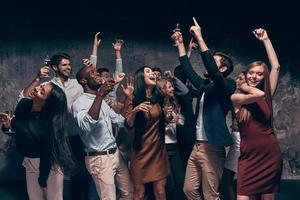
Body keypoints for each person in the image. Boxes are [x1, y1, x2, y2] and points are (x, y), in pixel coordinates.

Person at [171, 17, 236, 200]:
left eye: (214, 62)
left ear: (223, 69)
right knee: (189, 190)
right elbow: (189, 71)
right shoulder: (205, 87)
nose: (208, 65)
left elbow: (213, 71)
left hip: (212, 149)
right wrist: (181, 45)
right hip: (197, 147)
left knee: (211, 195)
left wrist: (199, 36)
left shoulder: (227, 85)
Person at [231, 28, 282, 200]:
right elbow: (256, 95)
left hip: (270, 155)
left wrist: (266, 40)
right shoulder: (236, 98)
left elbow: (275, 66)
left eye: (259, 74)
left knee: (268, 198)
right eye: (251, 72)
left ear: (263, 77)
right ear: (246, 73)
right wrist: (244, 87)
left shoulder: (266, 96)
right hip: (249, 158)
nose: (254, 76)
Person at [1, 82, 74, 200]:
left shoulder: (49, 123)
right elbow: (15, 130)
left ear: (45, 104)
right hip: (30, 163)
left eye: (41, 92)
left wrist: (43, 182)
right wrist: (7, 125)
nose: (36, 88)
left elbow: (46, 154)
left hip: (49, 165)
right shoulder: (23, 105)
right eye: (41, 86)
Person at [72, 65, 133, 200]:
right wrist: (100, 95)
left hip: (116, 154)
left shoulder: (103, 101)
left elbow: (119, 120)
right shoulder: (79, 103)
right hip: (99, 159)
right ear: (83, 81)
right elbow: (87, 125)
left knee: (129, 193)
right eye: (92, 73)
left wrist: (128, 98)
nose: (97, 74)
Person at [125, 66, 170, 200]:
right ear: (141, 78)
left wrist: (168, 116)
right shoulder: (133, 98)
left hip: (158, 150)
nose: (153, 74)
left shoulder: (159, 96)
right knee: (139, 194)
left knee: (160, 191)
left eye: (153, 72)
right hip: (140, 152)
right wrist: (135, 111)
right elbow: (128, 126)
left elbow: (164, 118)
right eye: (148, 72)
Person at [156, 77, 186, 200]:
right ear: (162, 89)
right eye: (169, 87)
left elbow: (182, 122)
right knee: (169, 185)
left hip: (174, 147)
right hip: (162, 149)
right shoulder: (156, 106)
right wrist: (165, 119)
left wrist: (177, 119)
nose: (172, 89)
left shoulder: (174, 103)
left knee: (181, 181)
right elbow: (154, 129)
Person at [221, 72, 245, 200]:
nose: (237, 80)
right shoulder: (237, 96)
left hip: (240, 138)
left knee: (228, 176)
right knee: (229, 176)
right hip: (237, 136)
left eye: (240, 78)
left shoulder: (242, 97)